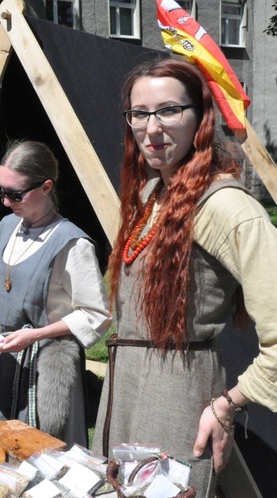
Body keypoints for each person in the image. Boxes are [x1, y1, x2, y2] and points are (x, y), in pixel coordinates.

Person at [92, 58, 277, 497]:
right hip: (125, 390)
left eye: (169, 110)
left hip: (179, 401)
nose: (151, 129)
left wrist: (228, 405)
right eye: (140, 113)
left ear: (200, 117)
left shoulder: (227, 207)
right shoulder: (149, 193)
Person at [0, 140, 111, 447]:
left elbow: (96, 315)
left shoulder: (72, 243)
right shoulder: (6, 227)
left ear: (46, 186)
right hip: (5, 361)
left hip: (47, 369)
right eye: (2, 192)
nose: (5, 202)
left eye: (15, 194)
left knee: (42, 453)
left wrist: (36, 335)